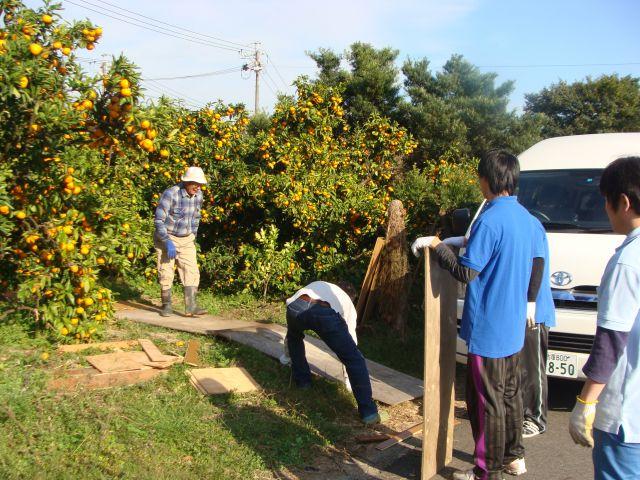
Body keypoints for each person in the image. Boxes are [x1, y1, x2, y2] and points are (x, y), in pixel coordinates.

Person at [412, 149, 544, 480]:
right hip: (513, 327)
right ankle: (514, 457)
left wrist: (437, 244)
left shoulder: (489, 218)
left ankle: (486, 471)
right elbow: (532, 262)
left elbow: (466, 272)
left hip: (489, 331)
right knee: (510, 395)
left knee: (487, 405)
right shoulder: (527, 220)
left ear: (486, 180)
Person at [569, 156, 640, 479]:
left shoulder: (627, 261)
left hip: (626, 416)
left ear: (623, 202)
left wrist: (586, 401)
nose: (605, 211)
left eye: (606, 203)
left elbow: (611, 340)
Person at [284, 280, 383, 425]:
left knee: (294, 338)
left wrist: (285, 357)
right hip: (321, 311)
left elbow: (289, 340)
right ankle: (369, 413)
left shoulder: (321, 285)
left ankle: (303, 382)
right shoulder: (347, 302)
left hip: (294, 307)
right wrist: (348, 381)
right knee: (355, 359)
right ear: (351, 297)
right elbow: (351, 343)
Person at [154, 166, 208, 317]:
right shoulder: (171, 194)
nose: (197, 187)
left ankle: (191, 306)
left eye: (200, 184)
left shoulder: (199, 196)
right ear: (186, 181)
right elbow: (159, 221)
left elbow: (196, 218)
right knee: (166, 271)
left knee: (191, 271)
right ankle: (166, 305)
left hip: (186, 238)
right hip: (168, 236)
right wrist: (166, 241)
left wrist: (193, 237)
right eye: (195, 184)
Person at [521, 216, 555, 438]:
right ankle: (521, 413)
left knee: (533, 366)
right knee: (520, 367)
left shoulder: (530, 224)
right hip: (519, 309)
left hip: (534, 311)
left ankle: (536, 418)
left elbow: (538, 261)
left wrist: (531, 302)